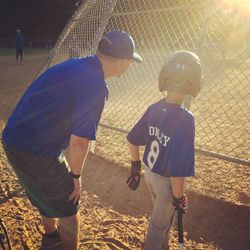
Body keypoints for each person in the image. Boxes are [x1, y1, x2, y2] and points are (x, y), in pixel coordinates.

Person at [2, 30, 142, 250]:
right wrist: (75, 176)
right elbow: (79, 141)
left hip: (15, 137)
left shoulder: (78, 64)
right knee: (69, 205)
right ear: (123, 61)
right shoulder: (96, 85)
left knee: (47, 192)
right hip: (34, 148)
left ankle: (51, 238)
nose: (130, 65)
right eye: (130, 61)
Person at [126, 51, 202, 249]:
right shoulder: (186, 119)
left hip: (150, 174)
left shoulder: (154, 108)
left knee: (162, 221)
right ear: (194, 83)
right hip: (167, 183)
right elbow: (178, 169)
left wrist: (135, 167)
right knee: (159, 227)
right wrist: (179, 197)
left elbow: (132, 139)